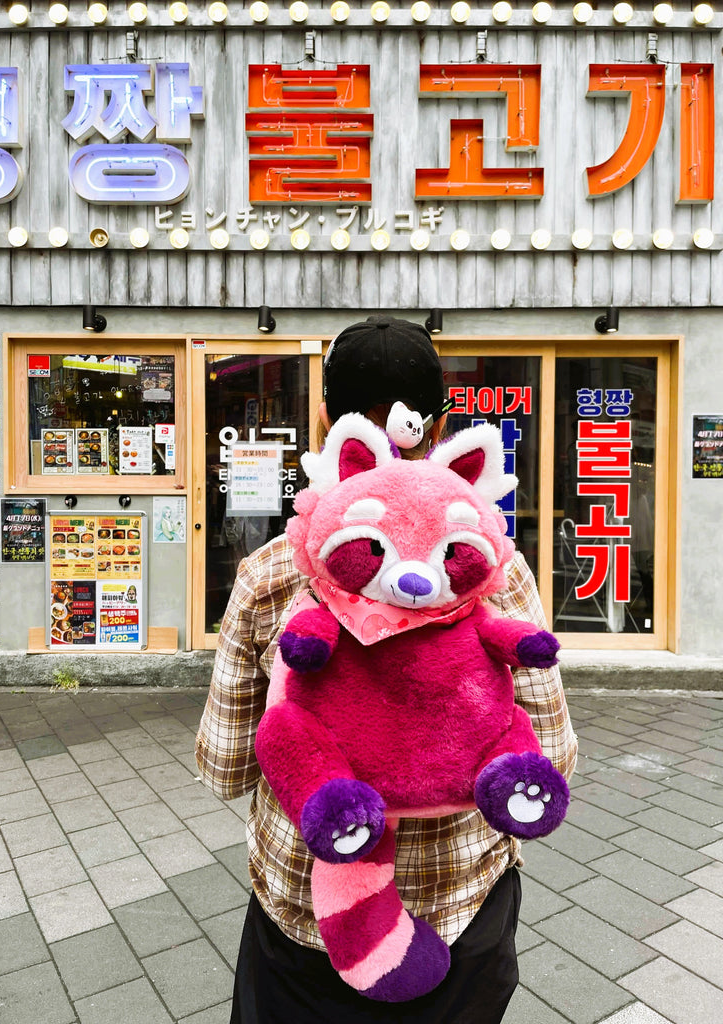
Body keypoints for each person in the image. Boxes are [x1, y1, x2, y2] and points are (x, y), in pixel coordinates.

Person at [196, 316, 578, 1024]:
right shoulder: (492, 564)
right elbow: (554, 753)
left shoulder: (274, 572)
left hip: (302, 920)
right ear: (437, 431)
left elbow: (224, 766)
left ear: (324, 421)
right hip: (465, 907)